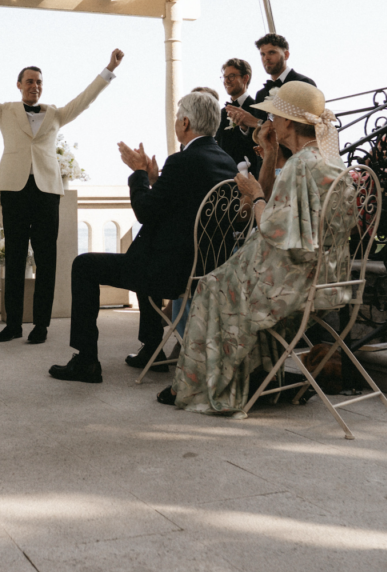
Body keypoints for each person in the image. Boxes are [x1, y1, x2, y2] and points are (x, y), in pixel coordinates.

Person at [159, 82, 351, 414]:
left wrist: (254, 195)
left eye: (275, 116)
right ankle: (258, 377)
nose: (271, 122)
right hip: (327, 278)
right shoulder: (329, 162)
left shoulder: (300, 165)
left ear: (289, 122)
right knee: (226, 279)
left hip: (292, 283)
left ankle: (205, 384)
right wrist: (271, 152)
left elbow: (272, 227)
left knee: (210, 286)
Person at [49, 92, 237, 383]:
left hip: (171, 274)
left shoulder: (181, 161)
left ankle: (86, 360)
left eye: (178, 117)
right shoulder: (227, 163)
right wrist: (154, 180)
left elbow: (145, 212)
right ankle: (152, 350)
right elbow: (179, 205)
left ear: (185, 123)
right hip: (206, 270)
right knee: (147, 253)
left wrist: (138, 174)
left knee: (84, 265)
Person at [0, 27, 123, 346]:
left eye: (38, 82)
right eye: (29, 81)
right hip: (14, 189)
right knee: (15, 256)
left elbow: (85, 100)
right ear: (19, 85)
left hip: (47, 192)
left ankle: (41, 325)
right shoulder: (5, 110)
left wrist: (109, 69)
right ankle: (13, 325)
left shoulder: (55, 114)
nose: (34, 86)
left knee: (46, 260)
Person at [226, 34, 315, 131]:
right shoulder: (260, 95)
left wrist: (257, 122)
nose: (266, 58)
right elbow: (258, 137)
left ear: (286, 55)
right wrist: (244, 125)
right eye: (263, 54)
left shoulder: (304, 83)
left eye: (272, 52)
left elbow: (305, 129)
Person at [215, 58, 260, 176]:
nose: (226, 81)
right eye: (224, 77)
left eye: (231, 76)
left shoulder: (257, 108)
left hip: (251, 175)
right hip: (224, 177)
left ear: (245, 78)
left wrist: (245, 129)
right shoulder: (221, 113)